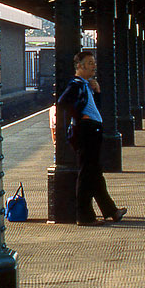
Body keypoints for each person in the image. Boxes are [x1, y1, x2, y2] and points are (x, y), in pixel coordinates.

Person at [56, 50, 128, 226]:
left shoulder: (87, 85)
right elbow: (63, 103)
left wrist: (97, 92)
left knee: (95, 174)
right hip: (86, 131)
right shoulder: (76, 84)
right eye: (89, 63)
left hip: (93, 130)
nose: (93, 66)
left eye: (93, 63)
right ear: (79, 66)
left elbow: (95, 107)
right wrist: (80, 116)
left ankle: (111, 211)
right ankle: (84, 216)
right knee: (87, 174)